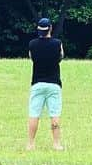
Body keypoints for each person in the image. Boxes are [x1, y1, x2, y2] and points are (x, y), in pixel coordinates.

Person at [26, 17, 64, 151]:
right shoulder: (57, 43)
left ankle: (30, 144)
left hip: (37, 83)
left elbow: (32, 58)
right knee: (54, 114)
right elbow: (61, 57)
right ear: (50, 28)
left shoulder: (32, 44)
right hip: (54, 83)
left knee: (34, 114)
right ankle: (56, 144)